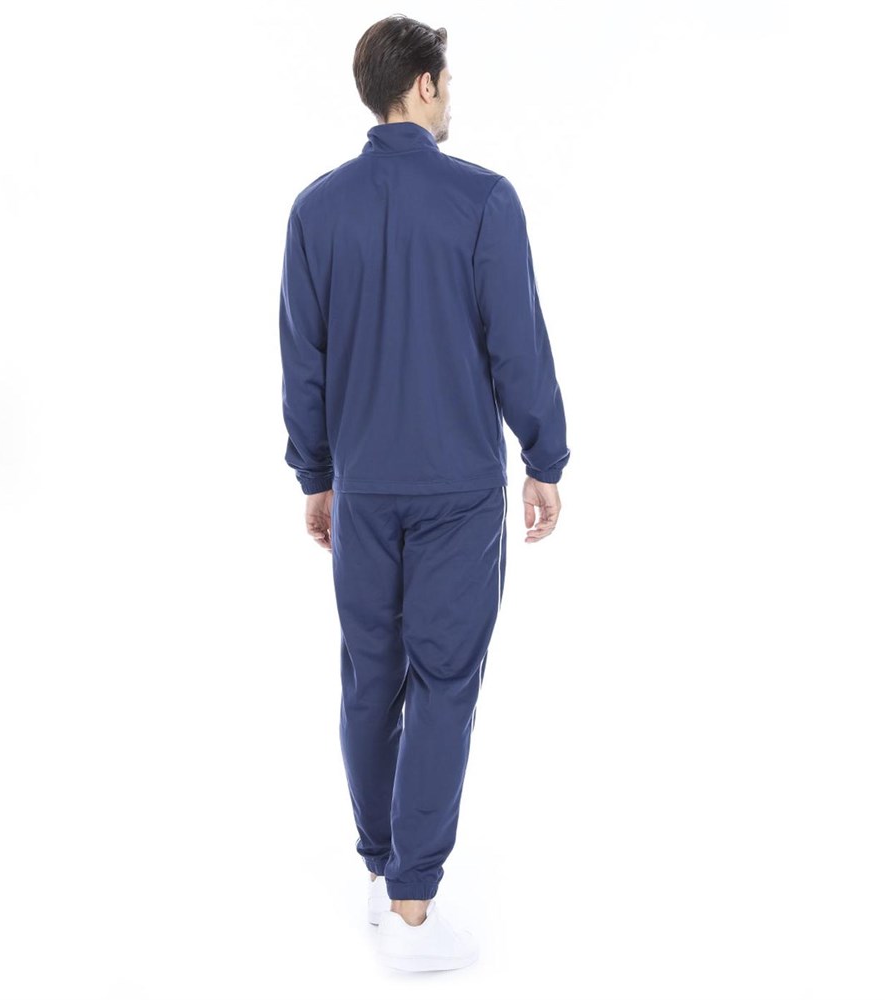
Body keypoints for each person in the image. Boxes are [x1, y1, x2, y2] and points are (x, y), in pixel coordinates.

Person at [278, 15, 571, 973]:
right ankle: (412, 909)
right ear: (428, 84)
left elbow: (304, 363)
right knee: (443, 682)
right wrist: (545, 455)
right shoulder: (484, 200)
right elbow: (515, 343)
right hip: (453, 492)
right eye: (450, 82)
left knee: (371, 677)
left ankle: (380, 871)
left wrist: (317, 474)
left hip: (364, 489)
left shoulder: (316, 210)